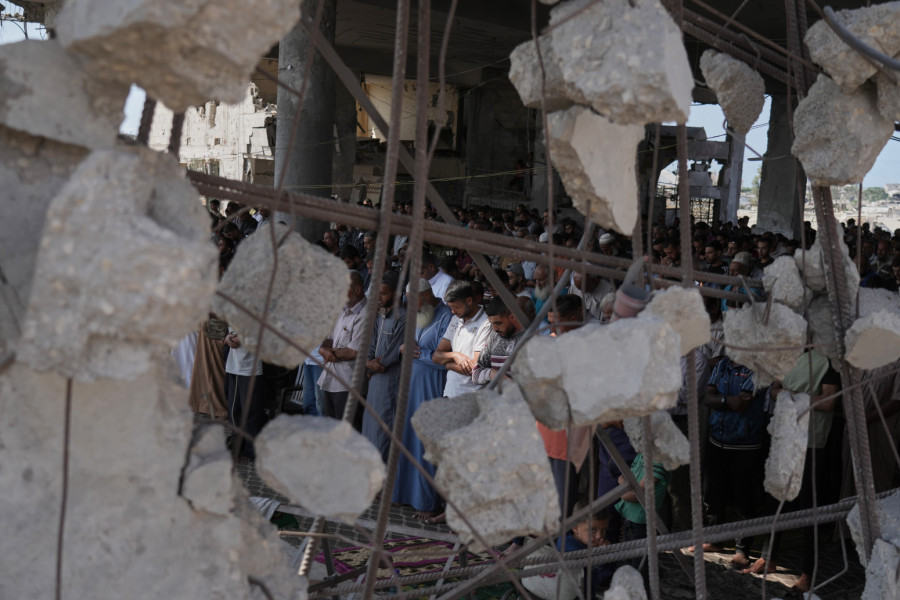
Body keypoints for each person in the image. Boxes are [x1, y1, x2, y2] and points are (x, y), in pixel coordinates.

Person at [392, 279, 453, 519]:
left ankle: (428, 502)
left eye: (414, 300)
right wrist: (403, 350)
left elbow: (445, 358)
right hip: (412, 386)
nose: (411, 306)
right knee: (409, 439)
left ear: (427, 296)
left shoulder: (447, 317)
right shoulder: (420, 313)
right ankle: (407, 495)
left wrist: (419, 354)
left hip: (432, 386)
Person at [520, 501, 613, 600]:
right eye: (593, 530)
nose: (599, 536)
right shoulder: (572, 551)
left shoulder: (566, 539)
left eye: (603, 530)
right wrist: (602, 555)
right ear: (575, 528)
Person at [362, 271, 406, 462]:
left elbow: (391, 357)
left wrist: (373, 366)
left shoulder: (403, 317)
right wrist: (368, 362)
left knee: (384, 429)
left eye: (383, 293)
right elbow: (370, 345)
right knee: (370, 426)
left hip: (390, 381)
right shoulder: (379, 315)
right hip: (374, 380)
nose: (378, 298)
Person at [318, 272, 368, 425]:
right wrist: (324, 350)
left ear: (358, 290)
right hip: (331, 379)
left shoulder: (366, 313)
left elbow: (353, 351)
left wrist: (328, 353)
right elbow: (328, 338)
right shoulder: (343, 309)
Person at [432, 280, 491, 398]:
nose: (453, 311)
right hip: (449, 393)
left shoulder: (486, 323)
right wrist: (455, 355)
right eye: (451, 307)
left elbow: (475, 368)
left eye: (456, 307)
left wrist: (447, 365)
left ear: (469, 300)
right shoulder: (455, 319)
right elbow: (436, 356)